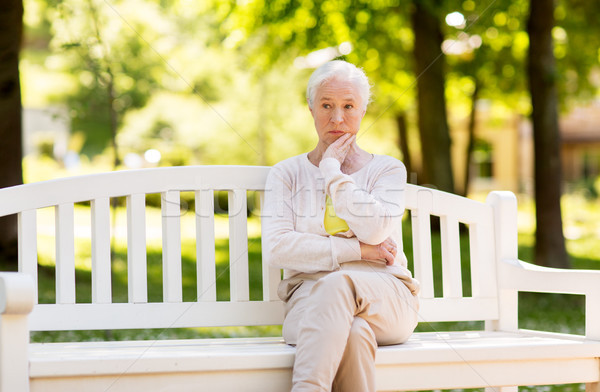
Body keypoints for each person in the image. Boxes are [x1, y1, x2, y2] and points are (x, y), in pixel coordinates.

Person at [262, 60, 420, 392]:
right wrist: (359, 250)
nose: (337, 118)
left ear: (363, 110)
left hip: (385, 299)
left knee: (339, 284)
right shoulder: (286, 174)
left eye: (348, 106)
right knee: (353, 332)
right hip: (308, 303)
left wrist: (333, 171)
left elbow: (376, 229)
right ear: (311, 108)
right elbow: (278, 248)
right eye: (326, 106)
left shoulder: (387, 171)